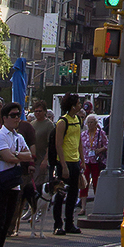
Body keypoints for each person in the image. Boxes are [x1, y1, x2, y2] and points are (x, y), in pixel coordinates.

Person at [0, 104, 32, 247]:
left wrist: (16, 155)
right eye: (12, 115)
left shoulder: (18, 137)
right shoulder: (0, 136)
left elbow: (28, 155)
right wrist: (18, 156)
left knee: (7, 223)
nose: (16, 118)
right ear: (5, 117)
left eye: (18, 115)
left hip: (13, 183)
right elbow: (6, 157)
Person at [54, 93, 82, 235]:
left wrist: (81, 159)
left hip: (75, 161)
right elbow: (58, 145)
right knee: (61, 194)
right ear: (72, 106)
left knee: (73, 194)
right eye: (78, 103)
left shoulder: (77, 120)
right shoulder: (62, 122)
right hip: (64, 162)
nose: (80, 105)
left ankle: (69, 222)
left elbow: (79, 141)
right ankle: (58, 224)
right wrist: (63, 166)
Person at [80, 115, 107, 199]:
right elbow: (80, 146)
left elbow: (107, 145)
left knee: (96, 181)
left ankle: (97, 200)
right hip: (86, 160)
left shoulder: (100, 133)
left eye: (92, 122)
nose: (90, 124)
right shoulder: (83, 134)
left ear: (96, 123)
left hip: (96, 160)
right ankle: (83, 204)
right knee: (84, 181)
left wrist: (100, 150)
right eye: (89, 122)